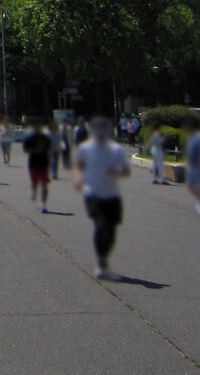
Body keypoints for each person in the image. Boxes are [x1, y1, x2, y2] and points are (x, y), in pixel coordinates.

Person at [73, 117, 131, 280]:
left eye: (102, 130)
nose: (99, 133)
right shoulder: (85, 148)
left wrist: (115, 173)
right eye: (96, 130)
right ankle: (100, 262)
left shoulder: (116, 150)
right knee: (101, 225)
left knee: (112, 230)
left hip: (112, 195)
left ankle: (104, 258)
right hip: (93, 194)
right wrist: (78, 178)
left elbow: (126, 171)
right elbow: (79, 164)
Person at [22, 119, 53, 212]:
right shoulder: (29, 138)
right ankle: (34, 190)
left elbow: (49, 149)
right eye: (35, 126)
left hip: (44, 163)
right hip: (33, 163)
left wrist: (48, 153)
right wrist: (35, 150)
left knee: (44, 184)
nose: (37, 128)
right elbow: (25, 150)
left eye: (39, 126)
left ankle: (43, 205)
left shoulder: (45, 138)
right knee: (34, 183)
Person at [183, 116, 200, 215]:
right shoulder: (189, 137)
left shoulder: (199, 137)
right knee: (190, 185)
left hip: (199, 165)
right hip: (191, 164)